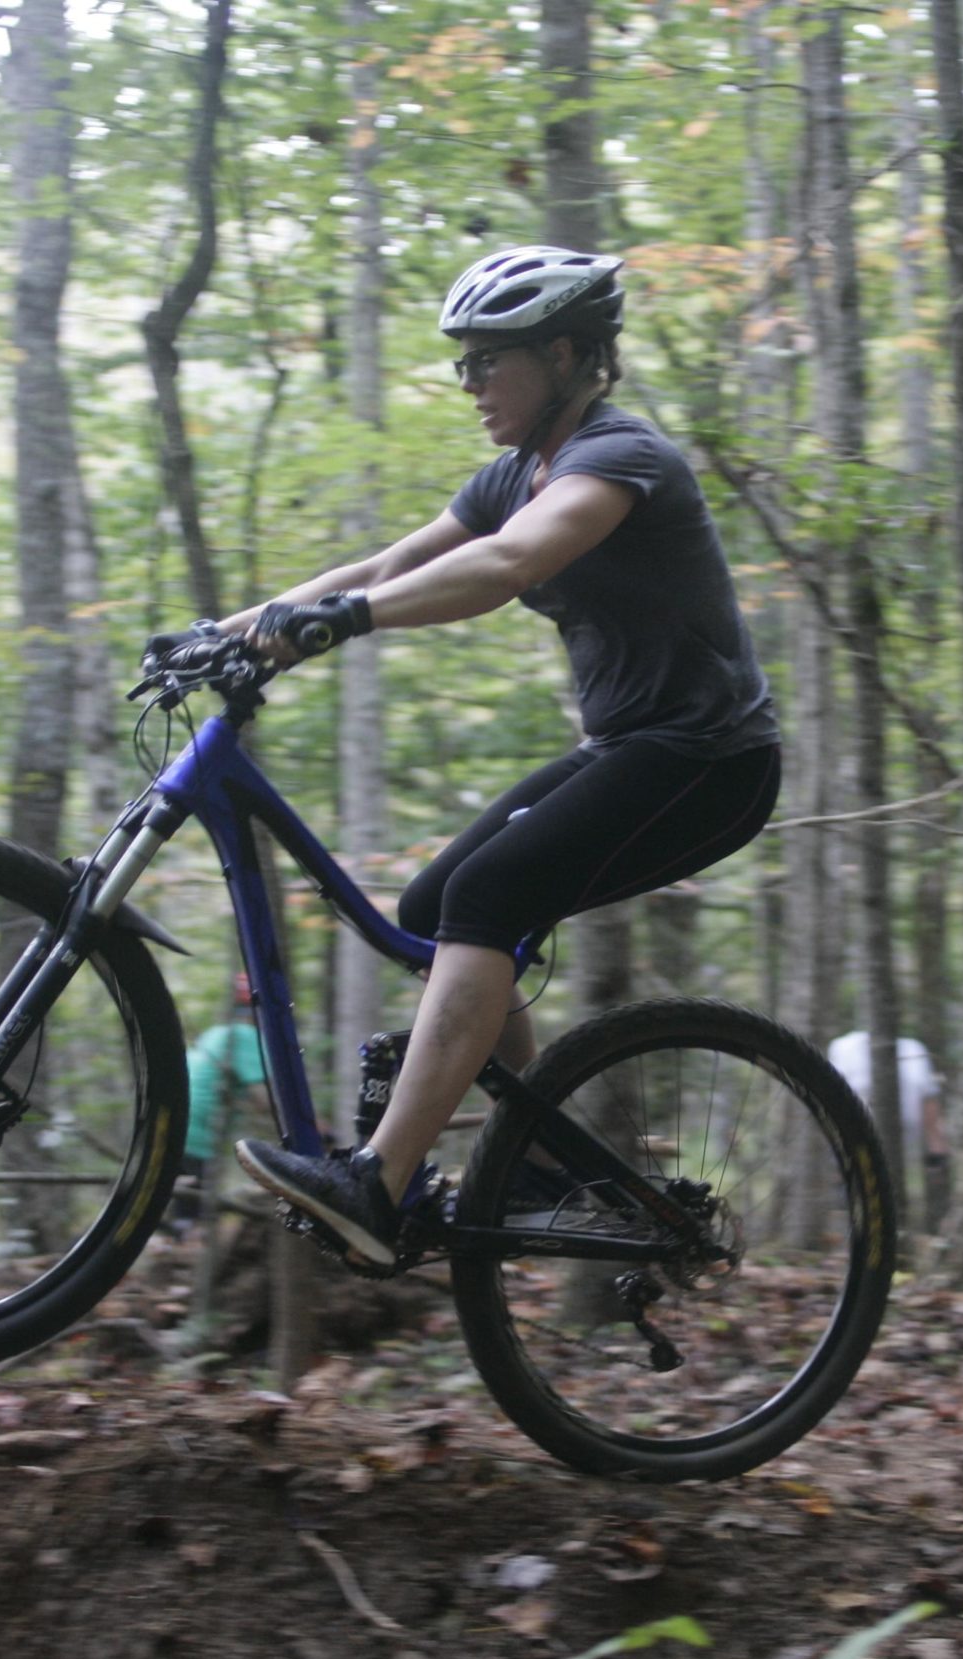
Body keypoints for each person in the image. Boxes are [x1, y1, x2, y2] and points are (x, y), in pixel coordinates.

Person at [157, 246, 782, 1268]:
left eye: (489, 360)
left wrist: (343, 622)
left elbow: (508, 561)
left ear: (565, 355)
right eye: (465, 363)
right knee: (432, 908)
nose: (470, 383)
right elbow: (389, 562)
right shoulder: (512, 474)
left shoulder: (619, 456)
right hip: (633, 748)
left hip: (711, 762)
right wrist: (221, 633)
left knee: (487, 899)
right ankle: (534, 1157)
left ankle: (376, 1181)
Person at [168, 969, 267, 1238]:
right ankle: (183, 1246)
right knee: (193, 1215)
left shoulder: (218, 1033)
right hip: (199, 1133)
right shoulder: (245, 1036)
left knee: (179, 1205)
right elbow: (264, 1100)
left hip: (178, 1121)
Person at [826, 1029, 945, 1172]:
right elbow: (832, 1098)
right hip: (856, 1143)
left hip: (901, 1147)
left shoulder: (914, 1049)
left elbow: (929, 1100)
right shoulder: (844, 1047)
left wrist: (936, 1146)